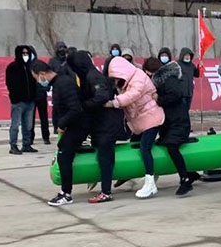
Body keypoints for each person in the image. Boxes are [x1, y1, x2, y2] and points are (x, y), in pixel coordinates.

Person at [66, 50, 125, 204]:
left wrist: (84, 106)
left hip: (107, 125)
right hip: (100, 125)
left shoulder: (94, 77)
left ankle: (106, 192)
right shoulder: (87, 76)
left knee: (106, 158)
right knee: (102, 157)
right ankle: (104, 189)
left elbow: (102, 97)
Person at [107, 55, 165, 199]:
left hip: (152, 118)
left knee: (145, 147)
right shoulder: (125, 83)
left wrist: (113, 103)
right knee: (133, 145)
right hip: (142, 121)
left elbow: (133, 95)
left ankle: (150, 183)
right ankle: (132, 174)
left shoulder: (139, 78)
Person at [32, 60, 84, 206]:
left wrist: (62, 124)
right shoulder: (59, 83)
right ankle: (65, 191)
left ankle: (66, 194)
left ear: (42, 74)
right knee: (63, 153)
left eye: (37, 78)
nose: (38, 81)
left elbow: (75, 108)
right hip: (72, 125)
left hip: (77, 125)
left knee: (64, 155)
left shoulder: (63, 83)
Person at [152, 57, 199, 196]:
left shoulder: (169, 80)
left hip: (179, 122)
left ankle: (185, 179)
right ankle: (190, 173)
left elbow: (176, 95)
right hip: (171, 122)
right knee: (163, 143)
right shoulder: (161, 81)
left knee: (172, 147)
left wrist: (159, 99)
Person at [5, 45, 38, 155]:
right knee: (15, 125)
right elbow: (9, 84)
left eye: (27, 53)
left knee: (28, 125)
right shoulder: (12, 67)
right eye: (23, 53)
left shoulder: (31, 67)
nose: (25, 55)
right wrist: (15, 97)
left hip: (30, 101)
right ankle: (13, 145)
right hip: (18, 102)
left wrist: (34, 96)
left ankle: (26, 144)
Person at [28, 45, 50, 146]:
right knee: (30, 119)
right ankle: (30, 138)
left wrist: (45, 88)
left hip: (40, 95)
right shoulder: (25, 66)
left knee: (43, 118)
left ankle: (45, 137)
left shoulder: (40, 64)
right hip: (31, 96)